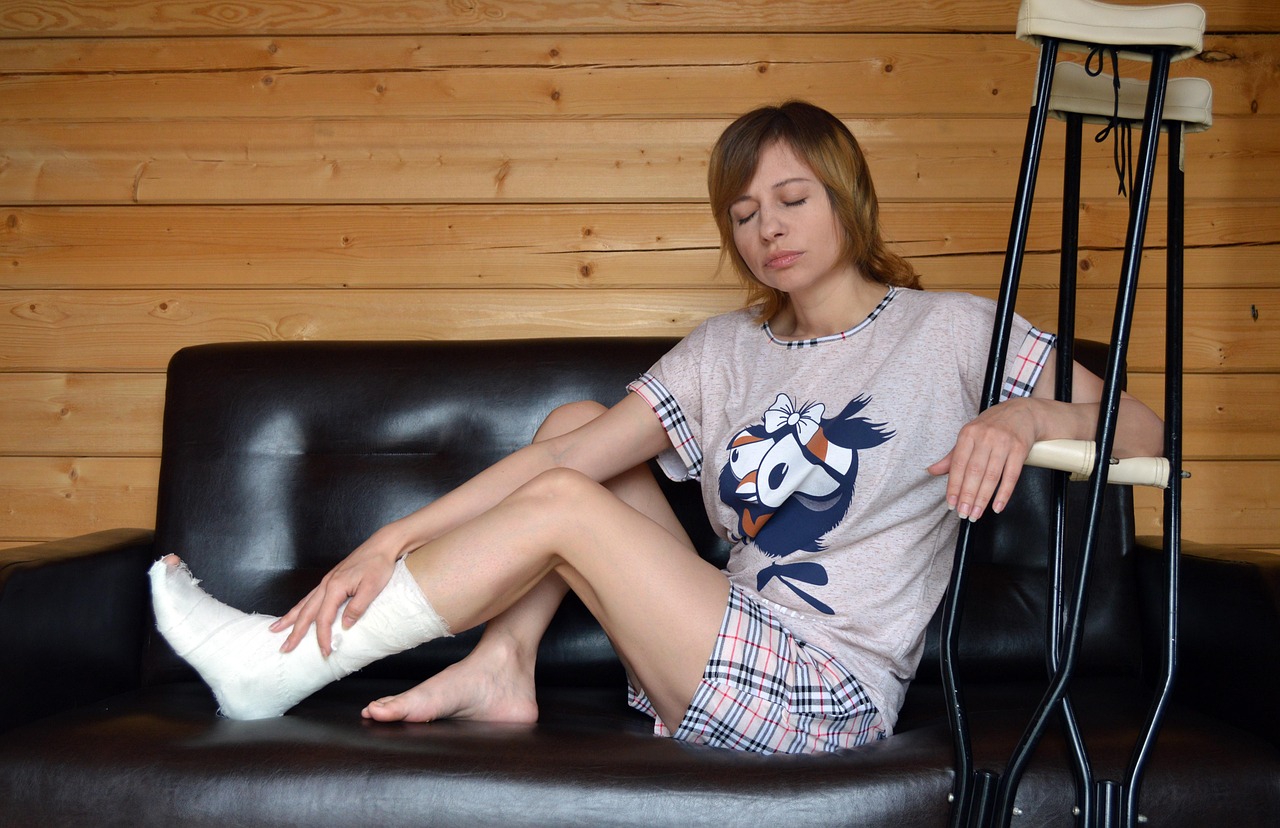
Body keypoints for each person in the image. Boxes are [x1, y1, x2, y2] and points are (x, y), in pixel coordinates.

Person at [151, 100, 1164, 754]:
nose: (768, 228)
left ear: (846, 199)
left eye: (792, 198)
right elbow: (564, 455)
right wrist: (388, 539)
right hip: (717, 647)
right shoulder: (727, 349)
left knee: (565, 499)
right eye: (743, 212)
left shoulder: (952, 332)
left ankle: (273, 667)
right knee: (575, 427)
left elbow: (1143, 430)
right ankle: (503, 667)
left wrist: (1025, 414)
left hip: (823, 694)